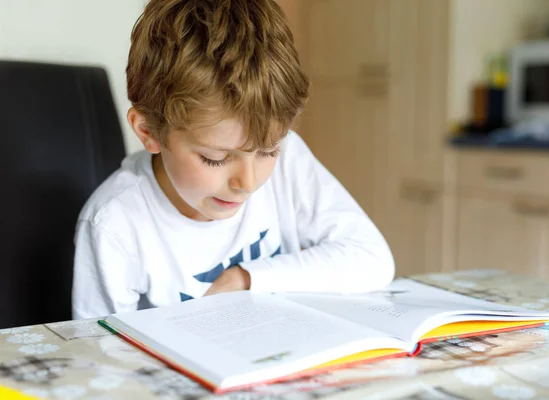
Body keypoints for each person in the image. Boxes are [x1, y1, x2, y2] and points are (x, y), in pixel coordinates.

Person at [72, 0, 394, 319]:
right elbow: (99, 355)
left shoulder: (289, 162)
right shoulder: (113, 225)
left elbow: (373, 258)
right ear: (149, 132)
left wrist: (245, 280)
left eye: (268, 151)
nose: (248, 183)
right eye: (216, 158)